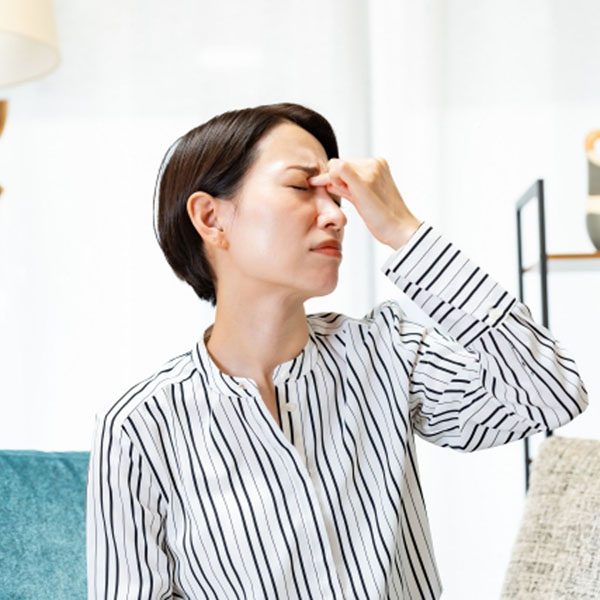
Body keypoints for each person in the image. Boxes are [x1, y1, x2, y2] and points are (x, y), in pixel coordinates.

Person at [86, 102, 589, 599]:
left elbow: (551, 393)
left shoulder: (389, 353)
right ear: (211, 216)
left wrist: (404, 231)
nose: (336, 216)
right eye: (301, 187)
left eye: (336, 196)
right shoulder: (139, 426)